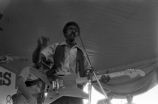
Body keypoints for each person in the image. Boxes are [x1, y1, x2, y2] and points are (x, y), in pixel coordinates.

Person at [40, 21, 90, 104]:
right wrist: (48, 71)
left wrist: (89, 73)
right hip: (57, 85)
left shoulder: (81, 52)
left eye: (75, 30)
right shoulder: (56, 46)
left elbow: (87, 69)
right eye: (70, 29)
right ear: (65, 33)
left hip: (75, 88)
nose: (73, 31)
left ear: (77, 34)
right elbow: (41, 57)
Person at [13, 36, 51, 104]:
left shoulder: (44, 77)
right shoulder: (28, 70)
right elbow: (19, 82)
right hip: (24, 98)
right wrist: (29, 97)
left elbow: (43, 93)